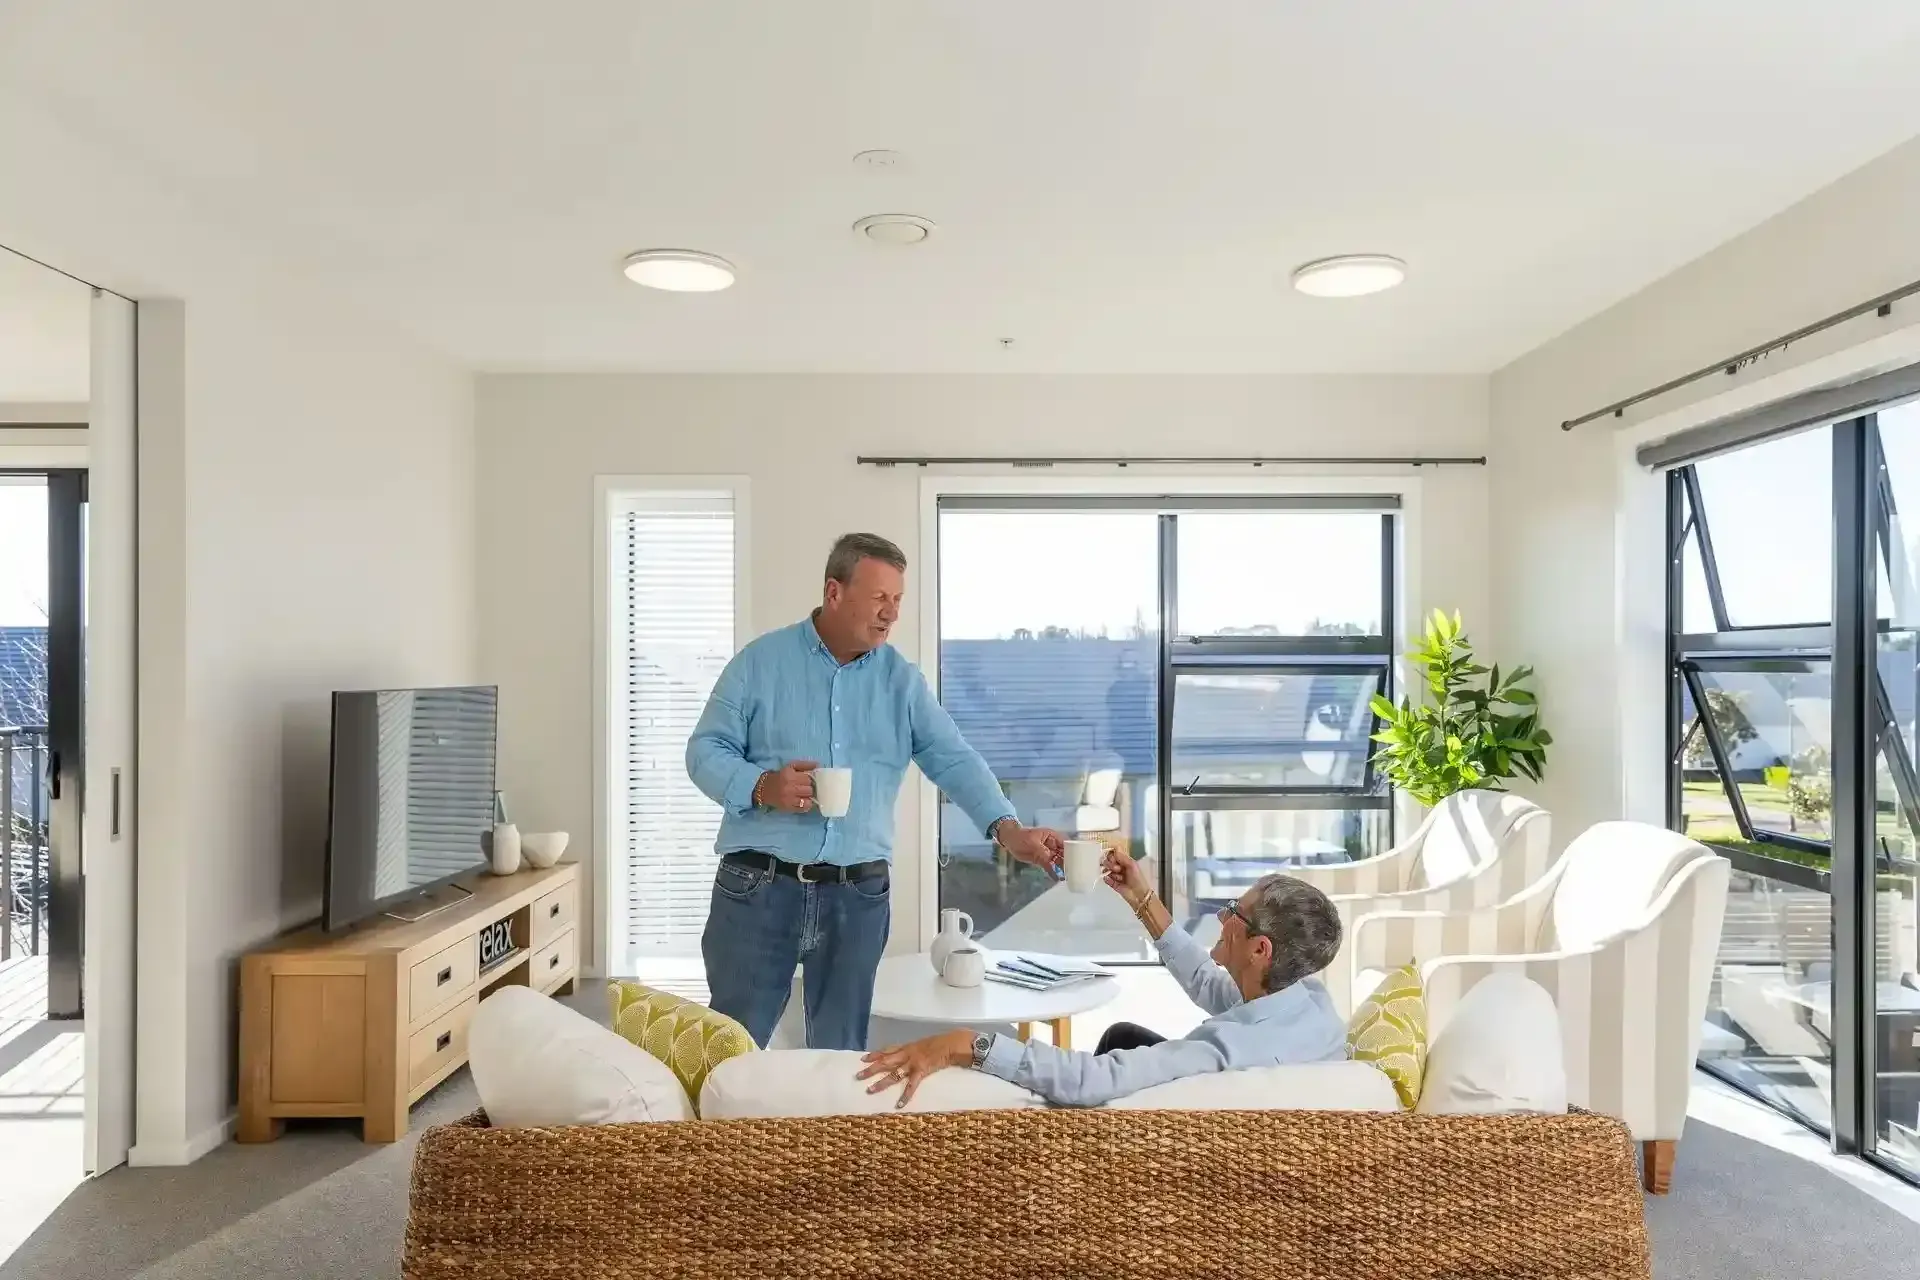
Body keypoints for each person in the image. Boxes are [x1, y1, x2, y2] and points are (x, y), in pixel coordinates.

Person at [686, 531, 1065, 1051]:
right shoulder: (759, 663)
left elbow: (953, 758)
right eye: (879, 598)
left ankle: (830, 1137)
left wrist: (1008, 829)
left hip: (856, 896)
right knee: (729, 1048)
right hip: (757, 888)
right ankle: (718, 1137)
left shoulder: (902, 683)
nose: (890, 613)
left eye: (897, 600)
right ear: (834, 592)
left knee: (842, 1056)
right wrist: (760, 785)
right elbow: (704, 752)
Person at [856, 851, 1347, 1107]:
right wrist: (1140, 897)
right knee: (1122, 1035)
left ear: (1261, 949)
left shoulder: (1221, 1049)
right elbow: (1208, 984)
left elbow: (1095, 1081)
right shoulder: (1310, 1003)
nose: (1221, 919)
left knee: (1115, 1049)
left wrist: (968, 1044)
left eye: (1232, 913)